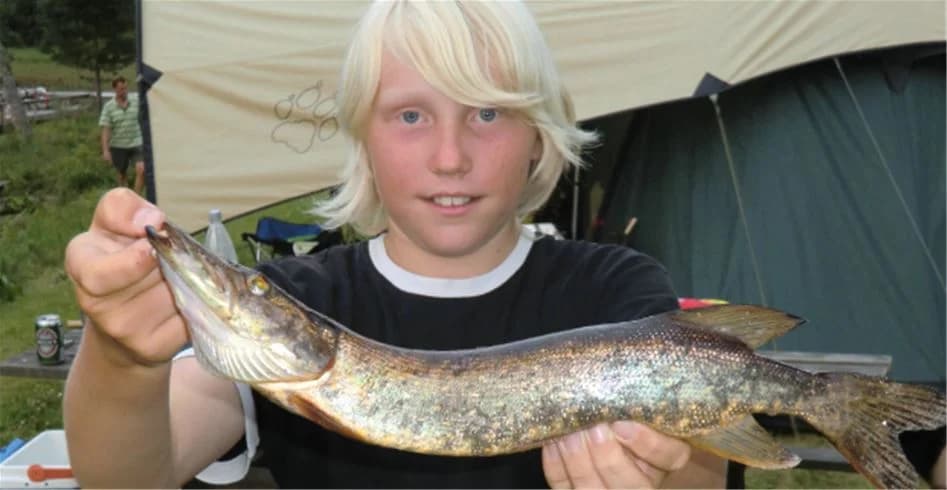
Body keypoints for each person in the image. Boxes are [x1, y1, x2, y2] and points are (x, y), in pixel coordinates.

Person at [64, 1, 725, 488]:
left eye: (486, 113)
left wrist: (666, 476)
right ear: (364, 139)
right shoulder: (296, 303)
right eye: (410, 115)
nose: (449, 157)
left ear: (537, 135)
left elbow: (703, 459)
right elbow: (121, 477)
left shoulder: (615, 289)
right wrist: (121, 360)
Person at [99, 75, 145, 194]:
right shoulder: (109, 107)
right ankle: (124, 199)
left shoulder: (136, 99)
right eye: (121, 89)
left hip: (136, 142)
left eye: (125, 88)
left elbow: (148, 95)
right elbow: (106, 129)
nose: (124, 91)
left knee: (142, 169)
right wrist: (105, 150)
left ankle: (136, 198)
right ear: (115, 89)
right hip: (118, 145)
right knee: (122, 174)